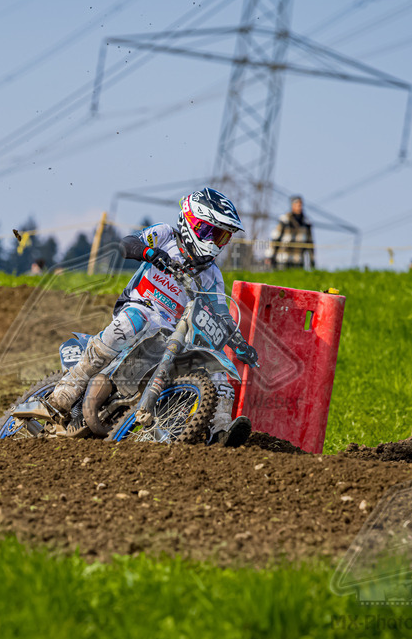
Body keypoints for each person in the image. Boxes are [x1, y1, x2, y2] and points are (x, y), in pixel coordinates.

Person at [17, 188, 259, 447]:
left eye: (223, 237)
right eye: (213, 233)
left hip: (172, 332)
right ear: (193, 223)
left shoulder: (212, 275)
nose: (216, 243)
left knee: (218, 369)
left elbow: (222, 315)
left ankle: (220, 429)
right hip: (139, 308)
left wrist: (240, 343)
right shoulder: (166, 235)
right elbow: (127, 244)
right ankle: (65, 394)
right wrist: (151, 253)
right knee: (136, 319)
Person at [265, 195, 315, 270]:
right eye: (297, 205)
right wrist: (270, 256)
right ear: (292, 206)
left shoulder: (306, 223)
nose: (299, 207)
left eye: (300, 205)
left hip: (298, 260)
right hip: (283, 259)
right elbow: (275, 239)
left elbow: (310, 244)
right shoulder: (284, 220)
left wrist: (312, 261)